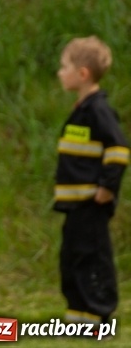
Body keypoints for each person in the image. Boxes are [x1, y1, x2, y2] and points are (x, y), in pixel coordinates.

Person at [54, 36, 128, 325]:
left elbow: (118, 150)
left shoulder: (99, 110)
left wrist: (107, 188)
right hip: (74, 204)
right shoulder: (81, 110)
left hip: (91, 204)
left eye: (64, 66)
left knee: (93, 259)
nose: (60, 72)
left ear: (82, 73)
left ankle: (99, 313)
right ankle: (78, 315)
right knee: (72, 259)